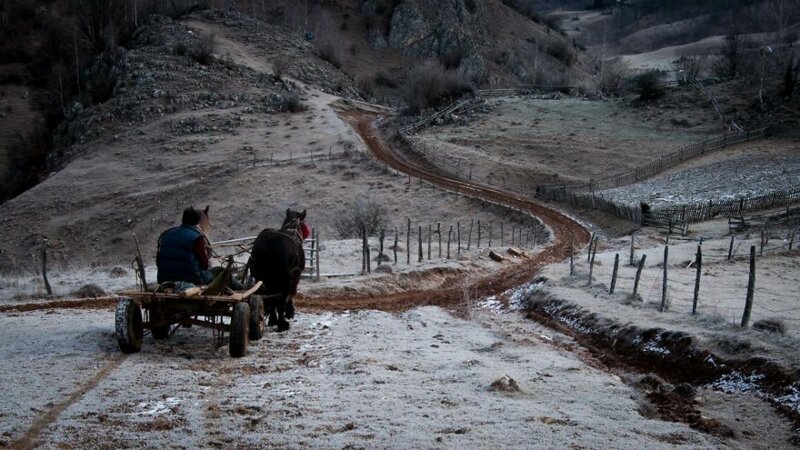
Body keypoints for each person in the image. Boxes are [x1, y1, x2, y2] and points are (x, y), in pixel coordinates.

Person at [156, 207, 213, 285]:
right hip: (192, 279)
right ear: (196, 221)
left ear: (183, 219)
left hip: (164, 279)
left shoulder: (166, 234)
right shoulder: (197, 238)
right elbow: (204, 265)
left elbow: (158, 261)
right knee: (222, 274)